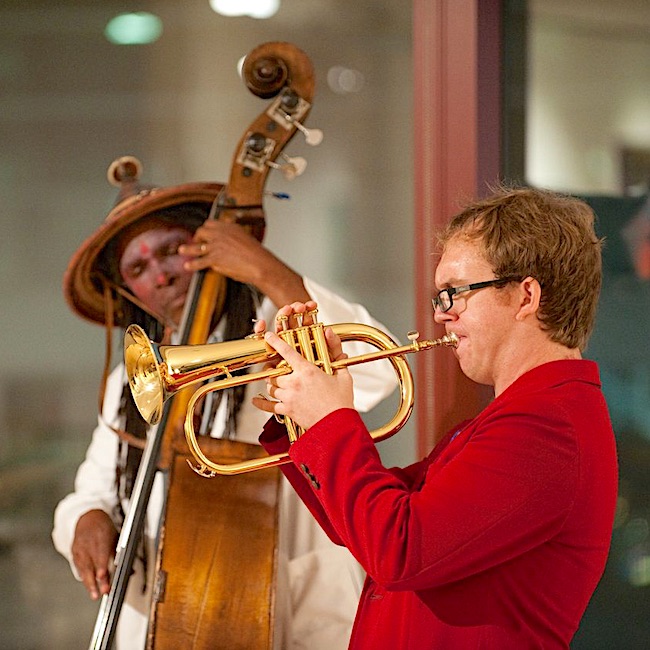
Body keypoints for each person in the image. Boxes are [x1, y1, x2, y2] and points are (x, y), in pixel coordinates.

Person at [52, 156, 398, 649]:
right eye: (138, 268)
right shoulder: (126, 384)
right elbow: (92, 491)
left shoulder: (279, 329)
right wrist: (85, 520)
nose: (160, 276)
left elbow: (377, 366)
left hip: (294, 609)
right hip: (163, 620)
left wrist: (264, 269)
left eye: (171, 249)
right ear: (127, 289)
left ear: (207, 246)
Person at [253, 185, 619, 649]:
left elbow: (399, 549)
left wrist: (331, 418)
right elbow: (363, 525)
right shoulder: (523, 417)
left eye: (454, 293)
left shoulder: (548, 428)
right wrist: (300, 417)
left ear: (525, 296)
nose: (442, 316)